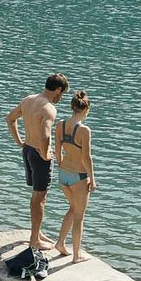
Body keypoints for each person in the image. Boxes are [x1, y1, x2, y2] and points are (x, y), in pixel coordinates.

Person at [6, 73, 69, 251]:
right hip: (38, 155)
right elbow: (45, 135)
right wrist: (45, 154)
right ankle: (34, 240)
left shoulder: (28, 100)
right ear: (57, 89)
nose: (60, 97)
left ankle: (37, 232)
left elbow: (10, 118)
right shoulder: (49, 108)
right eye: (61, 93)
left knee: (37, 195)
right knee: (40, 197)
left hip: (27, 150)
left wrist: (19, 142)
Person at [53, 91, 96, 263]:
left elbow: (57, 149)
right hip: (79, 176)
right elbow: (86, 157)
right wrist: (92, 178)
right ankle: (77, 255)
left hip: (64, 174)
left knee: (72, 208)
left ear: (72, 107)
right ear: (86, 109)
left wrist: (61, 163)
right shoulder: (84, 130)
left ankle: (60, 243)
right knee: (79, 215)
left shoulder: (61, 125)